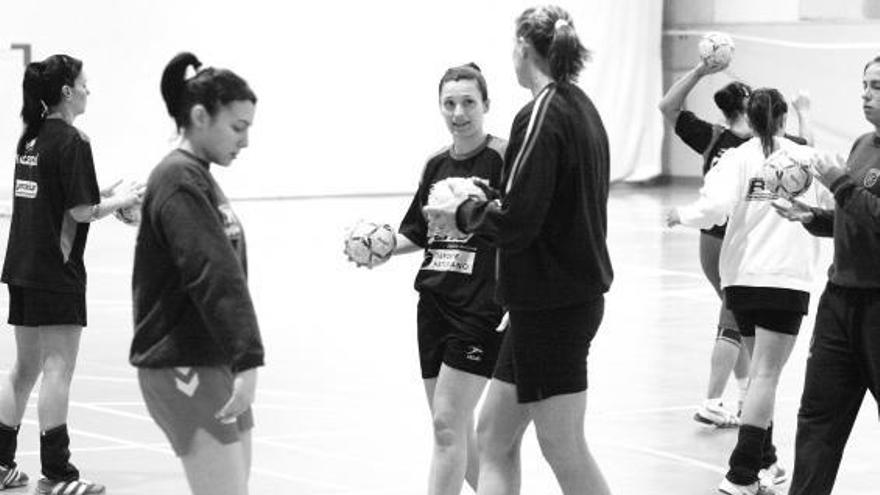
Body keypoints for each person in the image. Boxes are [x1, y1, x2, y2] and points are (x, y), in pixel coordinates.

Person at [424, 6, 613, 494]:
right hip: (540, 307)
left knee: (563, 444)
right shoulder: (581, 107)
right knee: (493, 436)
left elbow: (518, 223)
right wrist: (489, 199)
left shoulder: (542, 112)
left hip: (554, 308)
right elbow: (539, 202)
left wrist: (463, 214)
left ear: (523, 49)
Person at [666, 88, 833, 495]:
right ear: (782, 120)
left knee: (761, 375)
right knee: (766, 376)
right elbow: (835, 199)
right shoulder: (807, 158)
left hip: (740, 279)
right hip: (783, 279)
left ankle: (766, 462)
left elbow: (714, 206)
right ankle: (741, 474)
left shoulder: (737, 157)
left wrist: (681, 215)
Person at [0, 54, 142, 495]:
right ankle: (58, 475)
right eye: (83, 84)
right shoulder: (74, 141)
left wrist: (105, 193)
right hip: (55, 270)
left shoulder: (32, 138)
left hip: (21, 265)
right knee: (57, 369)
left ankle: (1, 465)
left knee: (23, 370)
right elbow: (80, 211)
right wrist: (122, 202)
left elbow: (58, 199)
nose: (88, 90)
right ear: (66, 91)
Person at [130, 52, 264, 495]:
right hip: (182, 363)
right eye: (237, 128)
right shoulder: (177, 179)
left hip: (211, 359)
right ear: (201, 116)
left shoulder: (197, 176)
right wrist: (248, 357)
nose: (245, 142)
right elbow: (212, 271)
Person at [658, 58, 814, 427]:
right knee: (733, 318)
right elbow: (810, 151)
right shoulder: (768, 146)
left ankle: (745, 396)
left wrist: (699, 71)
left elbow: (667, 107)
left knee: (741, 319)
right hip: (738, 242)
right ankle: (714, 400)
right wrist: (804, 111)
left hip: (716, 240)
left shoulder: (716, 138)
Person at [381, 63, 506, 495]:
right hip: (433, 305)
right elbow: (416, 231)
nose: (459, 112)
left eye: (468, 102)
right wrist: (379, 246)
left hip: (482, 306)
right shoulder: (435, 164)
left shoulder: (504, 158)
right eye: (449, 103)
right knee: (454, 431)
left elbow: (524, 230)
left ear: (486, 104)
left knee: (446, 426)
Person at [774, 55, 880, 495]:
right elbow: (852, 214)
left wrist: (838, 181)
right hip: (839, 302)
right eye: (864, 85)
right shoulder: (862, 145)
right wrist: (815, 218)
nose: (866, 94)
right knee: (818, 417)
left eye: (876, 86)